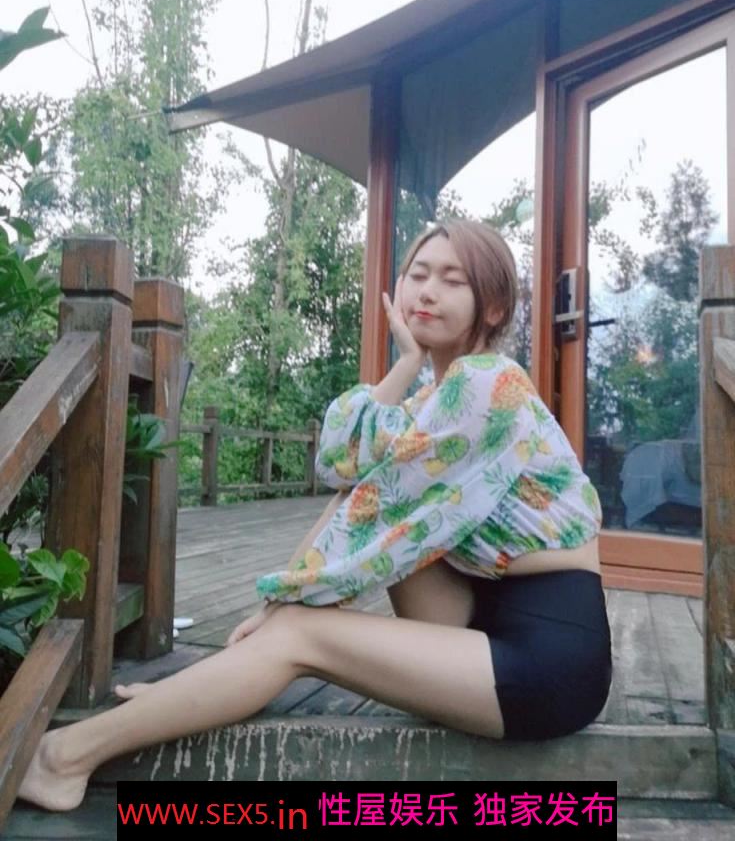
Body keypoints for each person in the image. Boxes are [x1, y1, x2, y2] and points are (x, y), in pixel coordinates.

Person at [17, 218, 612, 812]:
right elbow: (341, 461)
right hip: (477, 621)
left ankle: (63, 758)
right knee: (344, 527)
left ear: (493, 307)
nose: (427, 292)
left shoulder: (488, 384)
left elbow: (373, 507)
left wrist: (280, 608)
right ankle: (204, 686)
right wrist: (406, 363)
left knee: (298, 630)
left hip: (549, 661)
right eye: (419, 275)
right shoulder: (434, 398)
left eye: (452, 281)